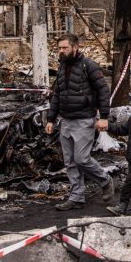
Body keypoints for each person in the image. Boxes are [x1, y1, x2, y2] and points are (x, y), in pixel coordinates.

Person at [46, 33, 116, 211]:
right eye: (59, 48)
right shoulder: (62, 67)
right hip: (66, 121)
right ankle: (77, 197)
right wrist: (51, 119)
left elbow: (103, 90)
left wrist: (104, 117)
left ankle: (105, 180)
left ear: (75, 47)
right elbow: (58, 95)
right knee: (69, 161)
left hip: (84, 119)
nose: (61, 51)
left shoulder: (89, 66)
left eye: (65, 48)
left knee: (82, 158)